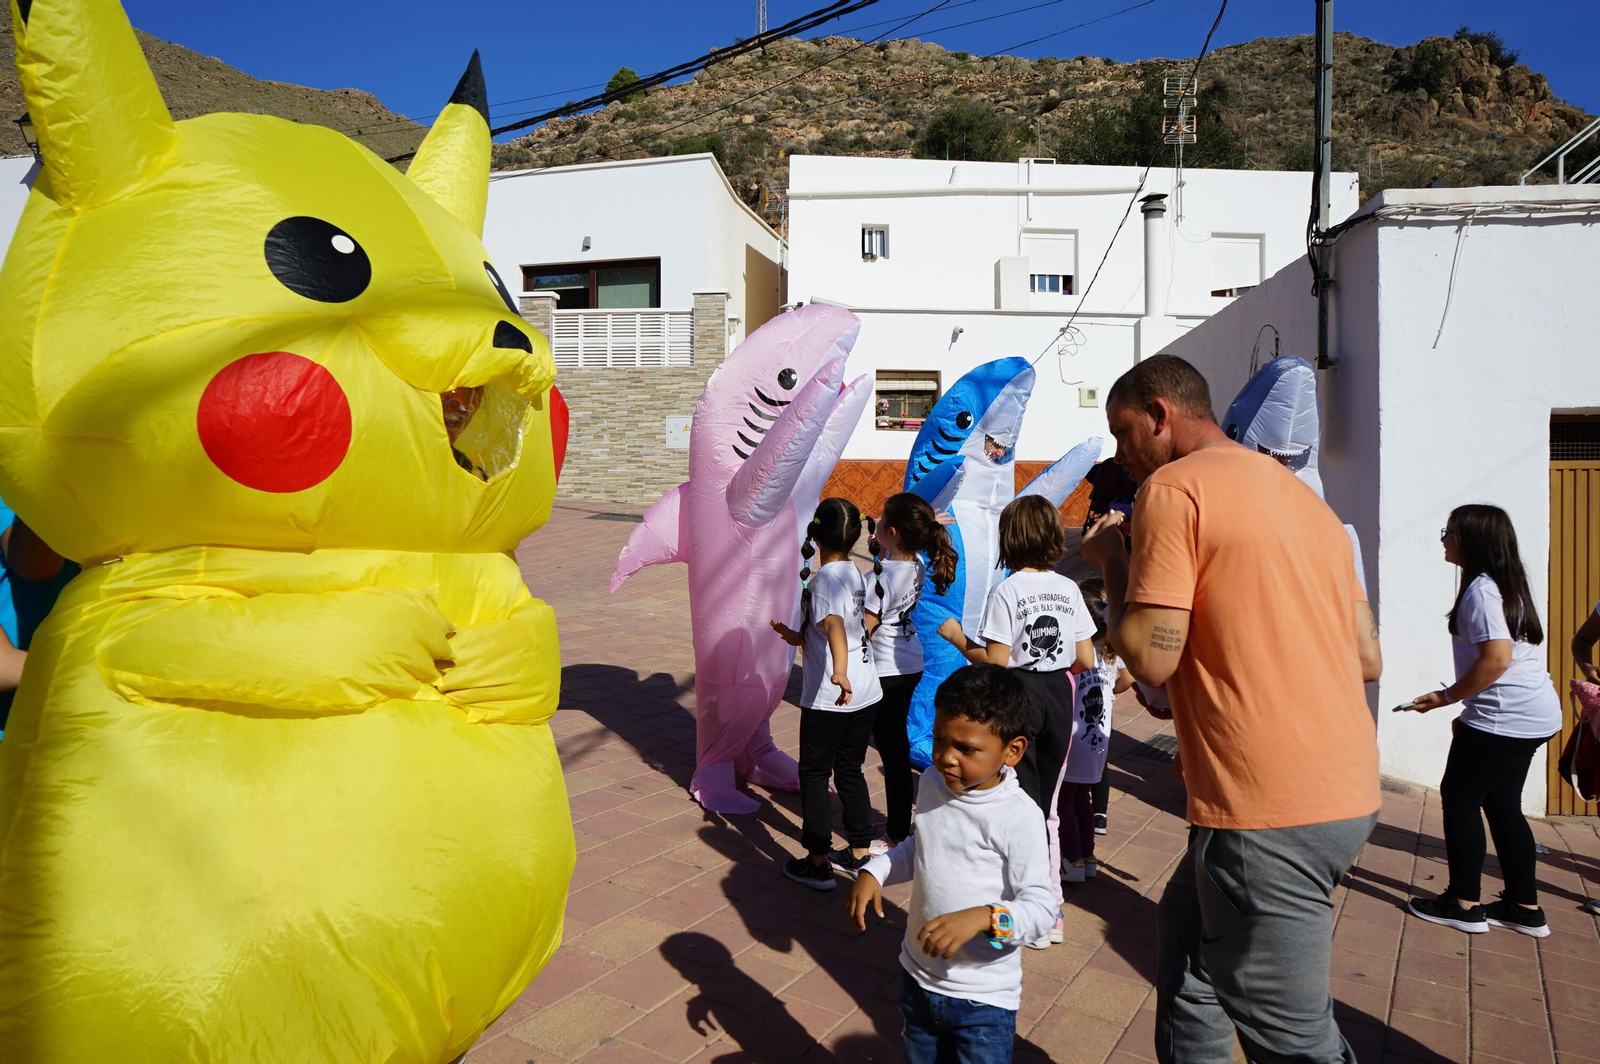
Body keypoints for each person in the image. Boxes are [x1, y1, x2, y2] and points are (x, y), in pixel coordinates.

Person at [1081, 354, 1382, 1064]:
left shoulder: (1174, 488)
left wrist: (1114, 565)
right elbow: (1367, 658)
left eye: (1125, 434)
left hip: (1269, 807)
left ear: (1160, 414)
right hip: (1343, 789)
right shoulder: (1312, 507)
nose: (1123, 457)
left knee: (1291, 1036)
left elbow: (1153, 656)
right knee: (1190, 955)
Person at [847, 664, 1055, 1064]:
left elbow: (1042, 911)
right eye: (940, 740)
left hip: (983, 1001)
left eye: (967, 748)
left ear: (1012, 750)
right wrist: (878, 869)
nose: (946, 757)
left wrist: (982, 917)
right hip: (918, 977)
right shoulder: (930, 782)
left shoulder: (1019, 816)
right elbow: (919, 847)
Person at [938, 494, 1095, 948]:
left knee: (1019, 805)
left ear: (1010, 537)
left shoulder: (1006, 591)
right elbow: (1084, 657)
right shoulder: (1068, 588)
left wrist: (957, 639)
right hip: (1060, 697)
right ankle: (1052, 911)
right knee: (1047, 808)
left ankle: (1025, 910)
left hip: (1021, 698)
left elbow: (996, 664)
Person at [1402, 505, 1562, 937]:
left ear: (1470, 540)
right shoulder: (1505, 586)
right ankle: (1523, 907)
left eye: (1448, 532)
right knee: (1501, 802)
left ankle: (1463, 903)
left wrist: (1447, 698)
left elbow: (1496, 659)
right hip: (1530, 714)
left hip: (1506, 717)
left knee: (1459, 798)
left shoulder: (1484, 592)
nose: (1443, 539)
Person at [772, 498, 884, 890]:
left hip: (832, 697)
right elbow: (839, 625)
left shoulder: (823, 580)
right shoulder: (854, 572)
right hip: (867, 690)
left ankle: (818, 862)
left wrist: (838, 670)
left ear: (816, 536)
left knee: (815, 774)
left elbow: (835, 625)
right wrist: (795, 636)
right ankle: (857, 852)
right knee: (850, 768)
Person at [868, 493, 958, 849]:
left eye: (880, 518)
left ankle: (893, 832)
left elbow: (865, 627)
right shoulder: (917, 562)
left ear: (891, 531)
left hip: (884, 669)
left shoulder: (879, 577)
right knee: (895, 746)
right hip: (910, 663)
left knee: (887, 750)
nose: (873, 520)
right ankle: (901, 824)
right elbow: (889, 557)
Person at [1059, 576, 1133, 882]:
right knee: (1083, 799)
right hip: (1098, 741)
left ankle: (1072, 858)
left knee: (1064, 800)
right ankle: (1087, 857)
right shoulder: (1111, 652)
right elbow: (1128, 679)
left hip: (1073, 739)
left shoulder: (1075, 652)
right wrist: (1110, 693)